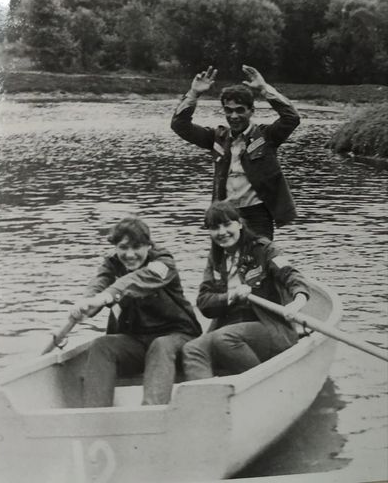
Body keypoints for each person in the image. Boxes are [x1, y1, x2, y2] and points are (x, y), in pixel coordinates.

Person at [69, 216, 202, 406]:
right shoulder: (112, 263)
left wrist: (106, 296)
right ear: (116, 248)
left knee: (161, 345)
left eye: (137, 247)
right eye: (123, 248)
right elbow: (99, 283)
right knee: (102, 346)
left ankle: (150, 413)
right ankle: (94, 415)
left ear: (148, 245)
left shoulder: (163, 263)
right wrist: (87, 303)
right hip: (137, 342)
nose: (130, 255)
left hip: (178, 338)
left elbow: (135, 281)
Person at [171, 65, 300, 240]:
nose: (234, 116)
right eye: (229, 110)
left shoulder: (265, 136)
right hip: (224, 214)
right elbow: (179, 125)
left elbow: (291, 118)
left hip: (258, 215)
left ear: (251, 111)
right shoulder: (217, 138)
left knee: (259, 255)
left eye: (240, 110)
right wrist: (194, 93)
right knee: (225, 257)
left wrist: (264, 88)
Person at [182, 201, 309, 380]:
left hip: (268, 326)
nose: (222, 232)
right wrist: (231, 296)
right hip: (229, 327)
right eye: (215, 227)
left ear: (240, 224)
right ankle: (208, 394)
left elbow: (291, 276)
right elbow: (204, 302)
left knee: (224, 339)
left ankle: (263, 384)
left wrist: (298, 301)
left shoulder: (264, 249)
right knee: (192, 349)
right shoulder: (215, 259)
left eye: (227, 224)